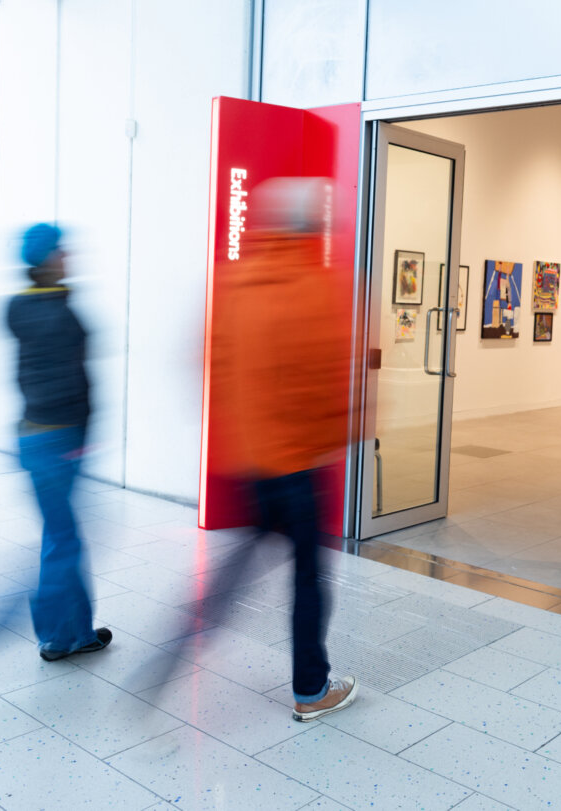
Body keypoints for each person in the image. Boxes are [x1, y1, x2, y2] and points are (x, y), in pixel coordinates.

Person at [207, 177, 357, 722]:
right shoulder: (319, 286)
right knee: (308, 579)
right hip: (298, 464)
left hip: (253, 464)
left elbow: (214, 365)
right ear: (312, 226)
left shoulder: (237, 282)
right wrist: (340, 436)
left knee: (243, 565)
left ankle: (185, 639)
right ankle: (311, 689)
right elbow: (333, 383)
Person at [8, 223, 111, 662]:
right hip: (57, 438)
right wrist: (81, 436)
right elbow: (71, 382)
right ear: (48, 258)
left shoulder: (19, 306)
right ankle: (55, 635)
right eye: (61, 250)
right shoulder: (57, 312)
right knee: (62, 540)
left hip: (33, 434)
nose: (68, 256)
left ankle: (78, 631)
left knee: (62, 534)